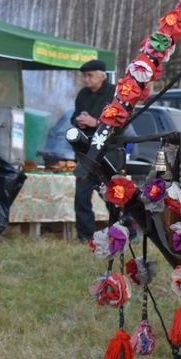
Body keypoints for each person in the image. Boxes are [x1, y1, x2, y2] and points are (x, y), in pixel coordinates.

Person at [71, 59, 114, 241]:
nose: (86, 79)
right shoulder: (82, 94)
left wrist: (95, 122)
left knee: (112, 197)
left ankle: (126, 231)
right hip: (85, 153)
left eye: (90, 75)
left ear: (102, 75)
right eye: (84, 76)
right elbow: (74, 116)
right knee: (81, 197)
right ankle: (85, 237)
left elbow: (122, 122)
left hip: (107, 153)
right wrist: (78, 121)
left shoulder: (115, 93)